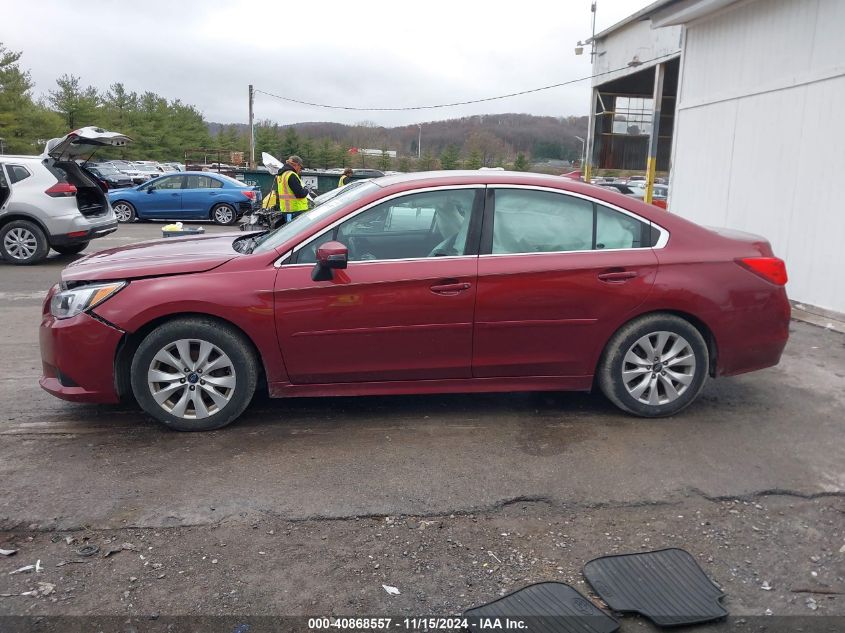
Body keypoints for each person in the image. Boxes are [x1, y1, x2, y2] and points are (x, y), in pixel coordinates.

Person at [276, 155, 310, 224]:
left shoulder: (281, 175)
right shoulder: (291, 175)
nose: (299, 170)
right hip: (296, 211)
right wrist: (306, 190)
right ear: (296, 165)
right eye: (300, 168)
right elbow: (300, 194)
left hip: (287, 211)